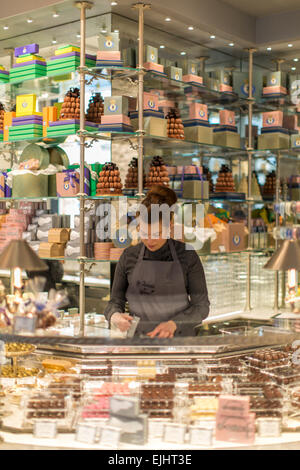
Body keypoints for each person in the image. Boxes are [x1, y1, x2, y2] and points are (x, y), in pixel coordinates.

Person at [104, 186, 210, 337]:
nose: (149, 240)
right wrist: (114, 315)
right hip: (139, 343)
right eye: (144, 233)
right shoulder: (129, 256)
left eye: (156, 234)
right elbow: (114, 302)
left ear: (170, 227)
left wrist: (174, 324)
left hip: (179, 342)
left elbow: (202, 306)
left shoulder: (187, 254)